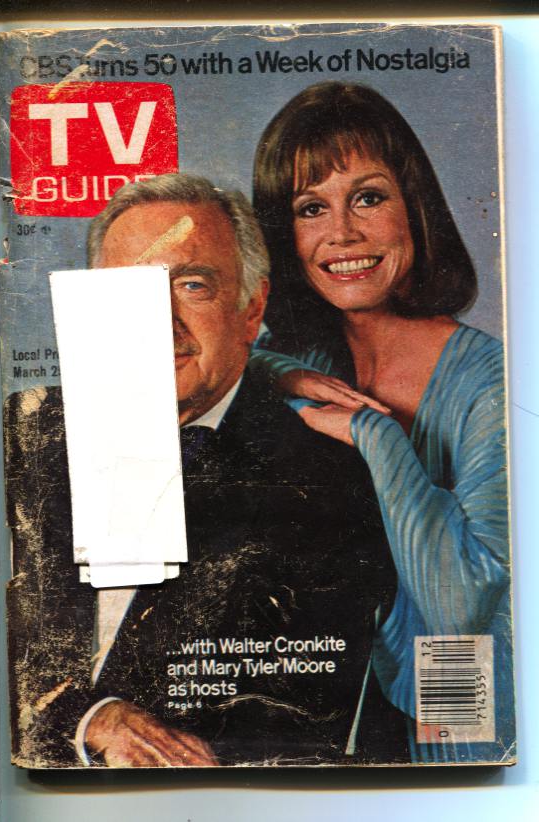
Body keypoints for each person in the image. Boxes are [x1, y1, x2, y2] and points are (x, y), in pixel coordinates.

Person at [5, 174, 399, 768]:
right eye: (129, 290)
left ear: (251, 308)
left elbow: (290, 728)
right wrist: (91, 719)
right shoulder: (31, 430)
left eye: (192, 285)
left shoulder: (327, 481)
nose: (160, 322)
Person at [251, 82, 513, 763]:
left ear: (414, 209)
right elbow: (220, 361)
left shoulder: (493, 379)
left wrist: (376, 435)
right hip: (326, 700)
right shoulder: (305, 358)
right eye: (312, 208)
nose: (342, 234)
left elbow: (458, 606)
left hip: (453, 696)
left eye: (368, 198)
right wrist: (280, 373)